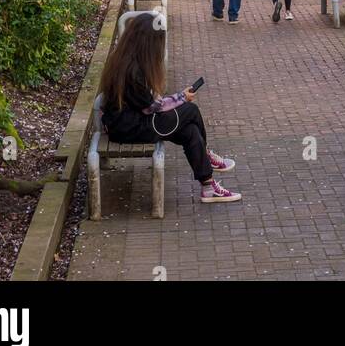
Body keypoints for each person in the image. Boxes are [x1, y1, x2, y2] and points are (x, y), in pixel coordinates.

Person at [100, 12, 240, 203]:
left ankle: (208, 187)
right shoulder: (133, 71)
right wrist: (181, 98)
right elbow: (152, 107)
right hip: (129, 128)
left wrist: (178, 98)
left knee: (190, 131)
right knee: (190, 111)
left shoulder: (126, 60)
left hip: (133, 122)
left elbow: (147, 104)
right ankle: (207, 156)